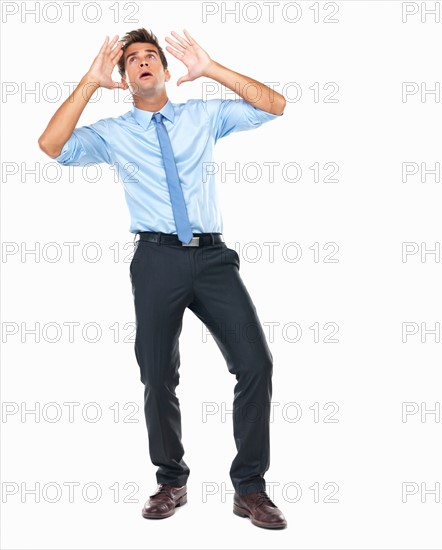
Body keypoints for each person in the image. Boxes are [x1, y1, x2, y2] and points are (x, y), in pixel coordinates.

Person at [38, 27, 287, 529]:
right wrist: (89, 81)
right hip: (155, 262)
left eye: (153, 56)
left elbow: (275, 105)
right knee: (157, 374)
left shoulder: (202, 116)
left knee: (255, 363)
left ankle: (251, 488)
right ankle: (171, 479)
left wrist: (213, 69)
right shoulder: (113, 133)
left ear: (168, 71)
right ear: (125, 76)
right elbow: (51, 145)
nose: (144, 63)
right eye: (134, 60)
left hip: (213, 260)